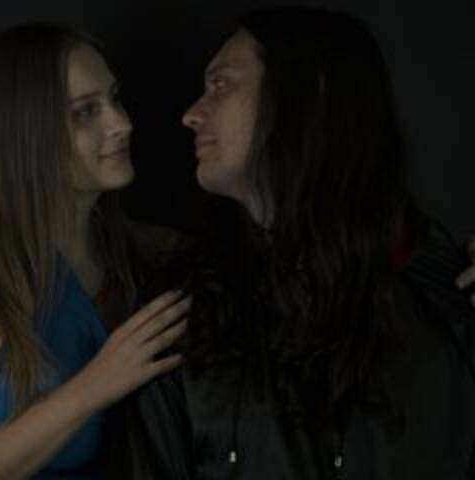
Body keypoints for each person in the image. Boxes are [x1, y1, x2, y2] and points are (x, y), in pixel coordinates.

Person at [115, 6, 475, 479]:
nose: (191, 114)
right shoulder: (179, 312)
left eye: (221, 84)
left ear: (307, 96)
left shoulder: (447, 291)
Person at [0, 23, 190, 480]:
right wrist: (93, 387)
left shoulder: (156, 256)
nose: (122, 123)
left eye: (115, 98)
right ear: (26, 133)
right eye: (85, 112)